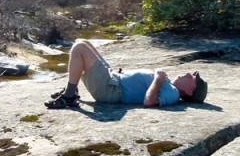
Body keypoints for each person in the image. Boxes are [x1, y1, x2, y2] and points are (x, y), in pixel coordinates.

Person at [45, 39, 207, 109]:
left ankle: (69, 96)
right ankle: (72, 91)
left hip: (111, 90)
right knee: (84, 43)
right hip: (113, 80)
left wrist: (158, 78)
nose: (188, 73)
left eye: (192, 78)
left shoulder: (172, 94)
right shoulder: (170, 86)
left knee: (79, 48)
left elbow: (149, 102)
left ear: (190, 91)